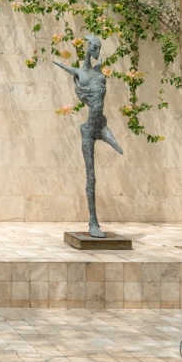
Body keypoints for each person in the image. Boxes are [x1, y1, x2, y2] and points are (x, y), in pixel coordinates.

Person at [54, 35, 123, 237]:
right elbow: (67, 68)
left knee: (117, 150)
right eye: (93, 47)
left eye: (98, 47)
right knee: (91, 177)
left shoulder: (98, 74)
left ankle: (94, 222)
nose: (96, 51)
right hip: (89, 129)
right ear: (88, 48)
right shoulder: (80, 73)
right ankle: (93, 223)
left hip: (101, 124)